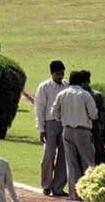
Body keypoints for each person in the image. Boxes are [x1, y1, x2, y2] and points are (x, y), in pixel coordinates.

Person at [52, 69, 100, 198]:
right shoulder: (85, 95)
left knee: (71, 163)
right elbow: (94, 114)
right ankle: (90, 193)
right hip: (82, 130)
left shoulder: (62, 94)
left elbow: (54, 113)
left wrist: (63, 119)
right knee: (88, 161)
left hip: (66, 130)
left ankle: (74, 194)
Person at [34, 59, 67, 194]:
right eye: (58, 74)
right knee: (48, 155)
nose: (61, 77)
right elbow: (39, 109)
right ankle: (46, 185)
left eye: (62, 74)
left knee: (63, 156)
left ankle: (58, 187)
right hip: (50, 123)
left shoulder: (67, 86)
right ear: (52, 73)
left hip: (64, 123)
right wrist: (41, 129)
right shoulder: (44, 87)